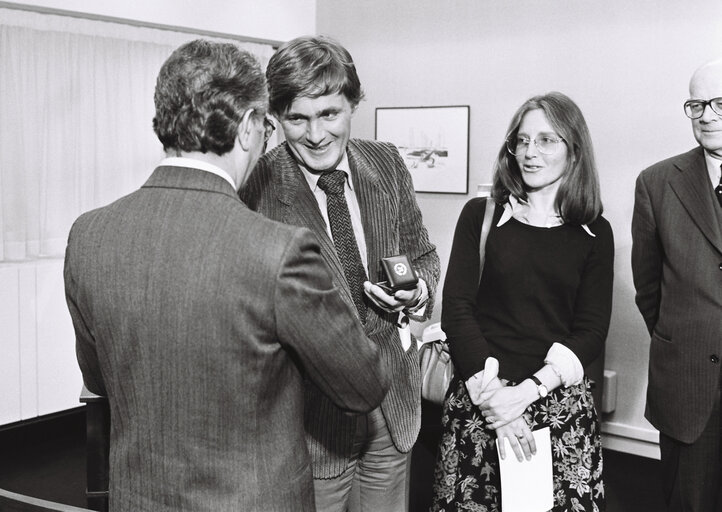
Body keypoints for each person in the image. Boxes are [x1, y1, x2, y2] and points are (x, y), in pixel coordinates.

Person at [64, 39, 391, 512]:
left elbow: (98, 375)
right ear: (247, 128)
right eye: (268, 125)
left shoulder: (89, 235)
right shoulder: (278, 251)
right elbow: (362, 386)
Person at [240, 35, 440, 512]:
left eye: (329, 114)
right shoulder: (257, 188)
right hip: (308, 427)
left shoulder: (387, 163)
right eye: (297, 119)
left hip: (393, 411)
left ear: (353, 104)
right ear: (276, 119)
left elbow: (423, 254)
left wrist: (416, 294)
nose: (316, 134)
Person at [431, 92, 614, 511]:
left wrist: (527, 394)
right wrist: (498, 400)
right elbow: (458, 308)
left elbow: (591, 330)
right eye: (523, 140)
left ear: (574, 151)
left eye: (547, 140)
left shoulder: (594, 231)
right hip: (481, 404)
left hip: (557, 409)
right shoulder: (481, 215)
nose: (530, 153)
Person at [631, 59, 722, 511]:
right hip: (688, 391)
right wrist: (685, 339)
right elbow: (648, 289)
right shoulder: (657, 183)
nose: (706, 115)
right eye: (697, 104)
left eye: (720, 103)